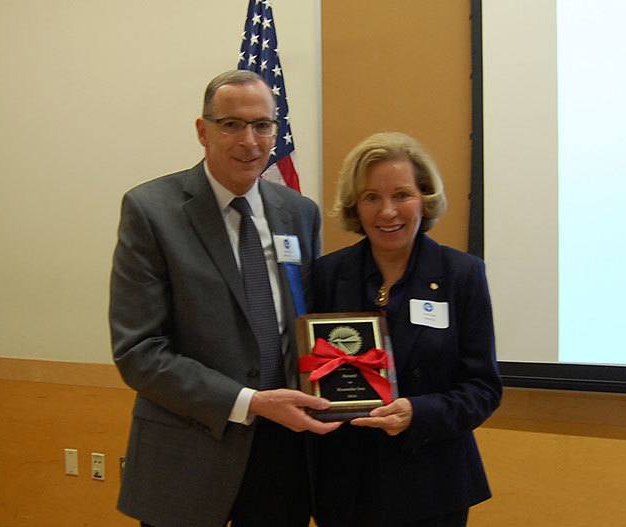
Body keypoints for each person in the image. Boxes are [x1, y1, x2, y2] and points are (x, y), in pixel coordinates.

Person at [109, 70, 339, 527]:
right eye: (231, 124)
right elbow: (139, 352)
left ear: (276, 130)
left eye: (262, 125)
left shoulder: (300, 213)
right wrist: (249, 401)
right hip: (188, 454)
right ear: (202, 130)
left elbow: (310, 327)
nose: (249, 141)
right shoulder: (151, 211)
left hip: (285, 454)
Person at [311, 132, 502, 526]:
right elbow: (311, 370)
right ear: (355, 206)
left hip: (432, 484)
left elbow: (483, 388)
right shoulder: (327, 275)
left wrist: (418, 412)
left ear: (425, 198)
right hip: (346, 484)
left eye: (402, 195)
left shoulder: (461, 275)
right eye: (371, 197)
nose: (387, 212)